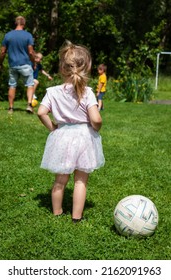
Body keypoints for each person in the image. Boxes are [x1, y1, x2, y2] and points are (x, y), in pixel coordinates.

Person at [37, 40, 105, 223]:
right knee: (80, 181)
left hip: (63, 136)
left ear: (62, 68)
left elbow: (41, 112)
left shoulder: (52, 91)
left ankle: (57, 212)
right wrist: (96, 128)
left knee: (60, 180)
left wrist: (52, 128)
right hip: (84, 137)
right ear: (87, 67)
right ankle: (76, 217)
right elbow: (96, 119)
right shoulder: (87, 92)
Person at [0, 16, 35, 113]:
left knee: (12, 85)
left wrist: (0, 63)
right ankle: (29, 105)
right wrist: (34, 62)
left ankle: (10, 108)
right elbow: (31, 52)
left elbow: (2, 52)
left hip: (13, 65)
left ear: (16, 23)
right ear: (24, 23)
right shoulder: (28, 35)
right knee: (30, 84)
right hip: (25, 64)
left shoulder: (8, 35)